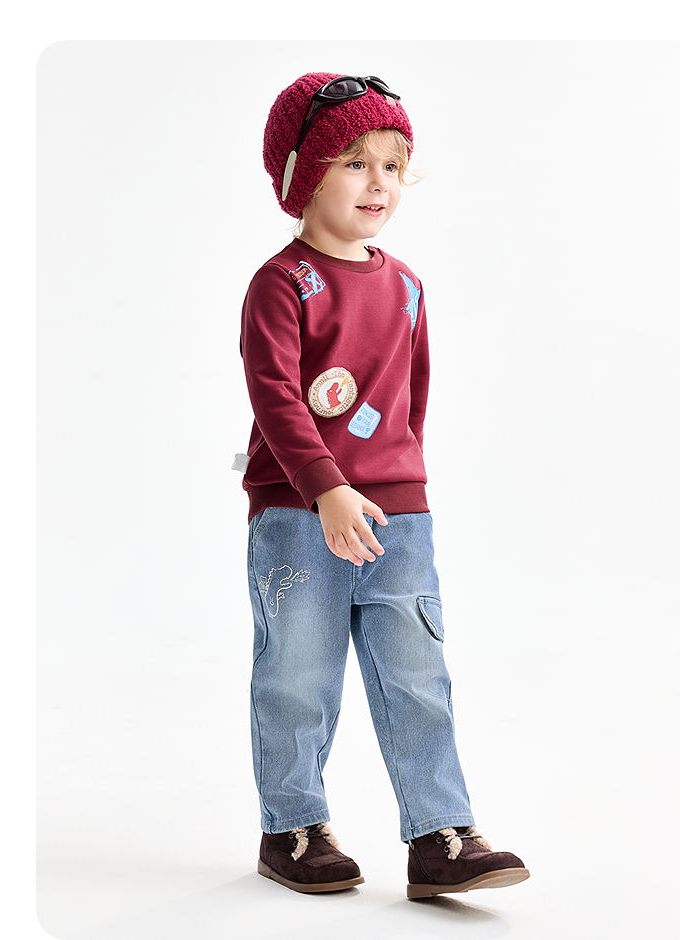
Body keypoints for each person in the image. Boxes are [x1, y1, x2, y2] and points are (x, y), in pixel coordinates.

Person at [237, 72, 530, 899]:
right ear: (305, 176)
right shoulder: (281, 284)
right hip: (298, 513)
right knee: (297, 675)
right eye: (355, 163)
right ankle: (293, 827)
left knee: (416, 674)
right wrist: (327, 486)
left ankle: (441, 834)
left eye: (393, 167)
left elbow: (410, 398)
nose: (379, 184)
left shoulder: (405, 286)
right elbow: (276, 396)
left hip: (398, 516)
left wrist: (399, 481)